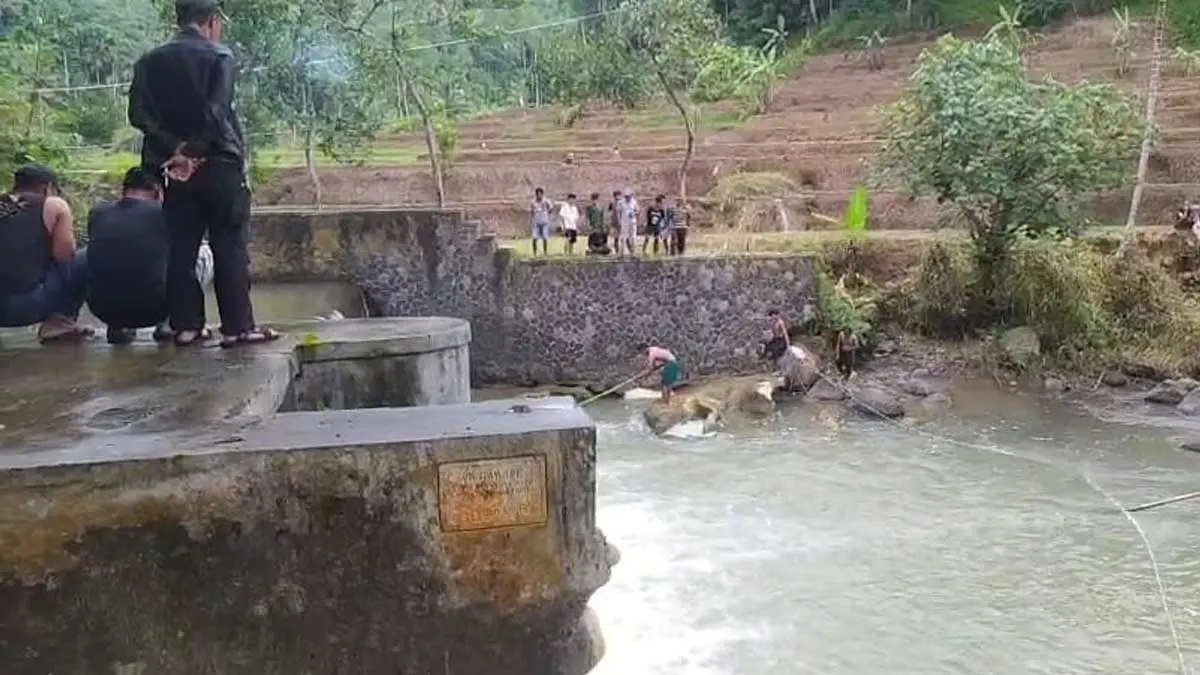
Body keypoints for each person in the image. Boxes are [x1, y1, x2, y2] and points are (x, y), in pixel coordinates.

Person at [129, 0, 279, 348]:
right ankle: (239, 328)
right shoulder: (219, 57)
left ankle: (187, 327)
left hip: (174, 170)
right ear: (212, 21)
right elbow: (216, 113)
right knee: (229, 243)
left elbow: (139, 115)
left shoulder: (149, 62)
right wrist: (194, 152)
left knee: (181, 247)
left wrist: (176, 152)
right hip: (219, 164)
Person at [86, 166, 215, 345]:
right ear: (158, 191)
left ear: (124, 190)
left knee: (93, 253)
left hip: (102, 309)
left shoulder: (98, 213)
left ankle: (119, 327)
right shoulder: (167, 214)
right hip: (154, 308)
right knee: (202, 251)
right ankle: (172, 323)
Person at [0, 165, 93, 343]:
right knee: (88, 254)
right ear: (47, 188)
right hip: (27, 306)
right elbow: (64, 255)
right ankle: (59, 323)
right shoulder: (53, 205)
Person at [527, 187, 554, 256]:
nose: (539, 196)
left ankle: (545, 252)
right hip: (536, 223)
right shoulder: (533, 202)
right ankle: (534, 253)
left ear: (542, 194)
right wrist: (533, 211)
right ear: (536, 195)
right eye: (538, 194)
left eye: (540, 194)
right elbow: (531, 210)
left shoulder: (546, 201)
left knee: (545, 238)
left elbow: (551, 208)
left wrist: (546, 212)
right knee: (534, 238)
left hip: (544, 222)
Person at [618, 189, 639, 257]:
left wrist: (634, 213)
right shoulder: (621, 202)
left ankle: (632, 253)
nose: (627, 197)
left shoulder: (634, 202)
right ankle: (622, 253)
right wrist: (619, 221)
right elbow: (618, 212)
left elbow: (638, 210)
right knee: (623, 238)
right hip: (624, 222)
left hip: (632, 222)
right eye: (626, 196)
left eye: (629, 196)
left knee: (633, 237)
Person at [607, 190, 622, 255]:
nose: (617, 197)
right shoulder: (612, 203)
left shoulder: (622, 203)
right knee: (614, 238)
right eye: (616, 196)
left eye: (618, 195)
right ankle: (615, 251)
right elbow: (609, 212)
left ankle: (622, 251)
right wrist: (609, 221)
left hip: (621, 223)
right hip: (614, 223)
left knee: (622, 238)